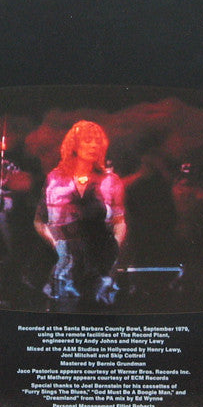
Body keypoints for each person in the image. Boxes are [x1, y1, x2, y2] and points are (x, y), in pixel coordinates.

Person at [34, 120, 126, 308]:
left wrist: (112, 249)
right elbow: (40, 221)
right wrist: (57, 246)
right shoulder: (55, 179)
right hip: (65, 267)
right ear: (74, 145)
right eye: (88, 140)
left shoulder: (111, 181)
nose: (94, 146)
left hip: (100, 266)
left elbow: (119, 221)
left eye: (97, 142)